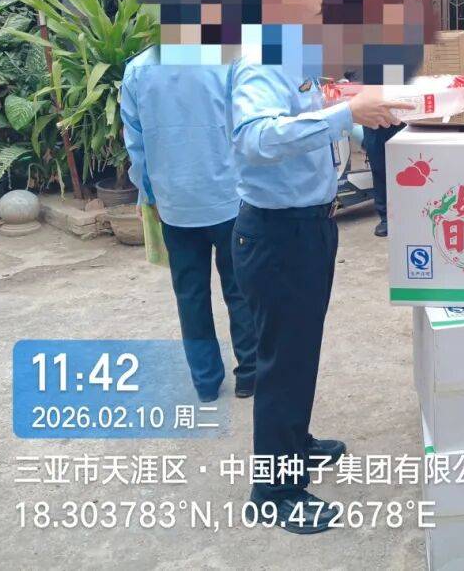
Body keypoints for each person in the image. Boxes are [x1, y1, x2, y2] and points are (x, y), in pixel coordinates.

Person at [227, 57, 409, 534]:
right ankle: (273, 492)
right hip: (278, 234)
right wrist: (347, 114)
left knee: (300, 353)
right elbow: (255, 138)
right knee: (283, 363)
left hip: (309, 226)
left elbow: (310, 121)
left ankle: (294, 444)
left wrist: (377, 120)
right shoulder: (263, 60)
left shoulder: (298, 59)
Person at [121, 48, 256, 403]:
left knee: (190, 295)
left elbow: (136, 144)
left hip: (174, 203)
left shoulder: (138, 70)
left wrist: (147, 194)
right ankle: (250, 374)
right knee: (240, 288)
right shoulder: (229, 61)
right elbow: (247, 127)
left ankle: (206, 381)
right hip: (229, 196)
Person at [361, 124, 403, 237]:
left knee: (408, 166)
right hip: (374, 123)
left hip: (405, 121)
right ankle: (386, 218)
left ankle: (410, 213)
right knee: (379, 168)